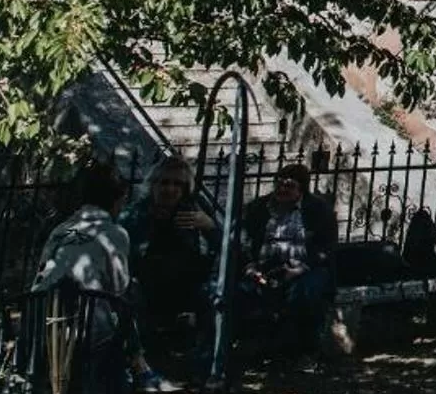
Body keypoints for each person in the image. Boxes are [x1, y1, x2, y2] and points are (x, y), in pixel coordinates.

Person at [32, 159, 152, 394]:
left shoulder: (60, 230)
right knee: (131, 295)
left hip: (43, 323)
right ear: (118, 199)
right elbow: (119, 287)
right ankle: (136, 366)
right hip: (87, 330)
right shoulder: (114, 233)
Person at [123, 157, 218, 368]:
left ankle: (203, 365)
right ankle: (144, 362)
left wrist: (210, 227)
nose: (170, 189)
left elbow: (226, 247)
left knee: (215, 293)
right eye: (164, 183)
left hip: (187, 285)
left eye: (177, 184)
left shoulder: (195, 207)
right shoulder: (137, 212)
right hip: (149, 286)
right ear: (153, 185)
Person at [236, 163, 337, 357]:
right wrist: (250, 268)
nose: (282, 189)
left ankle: (305, 353)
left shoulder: (318, 210)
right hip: (266, 267)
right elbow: (243, 242)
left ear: (301, 190)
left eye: (289, 186)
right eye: (279, 184)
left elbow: (326, 248)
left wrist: (299, 269)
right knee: (243, 292)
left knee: (305, 293)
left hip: (306, 267)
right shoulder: (258, 208)